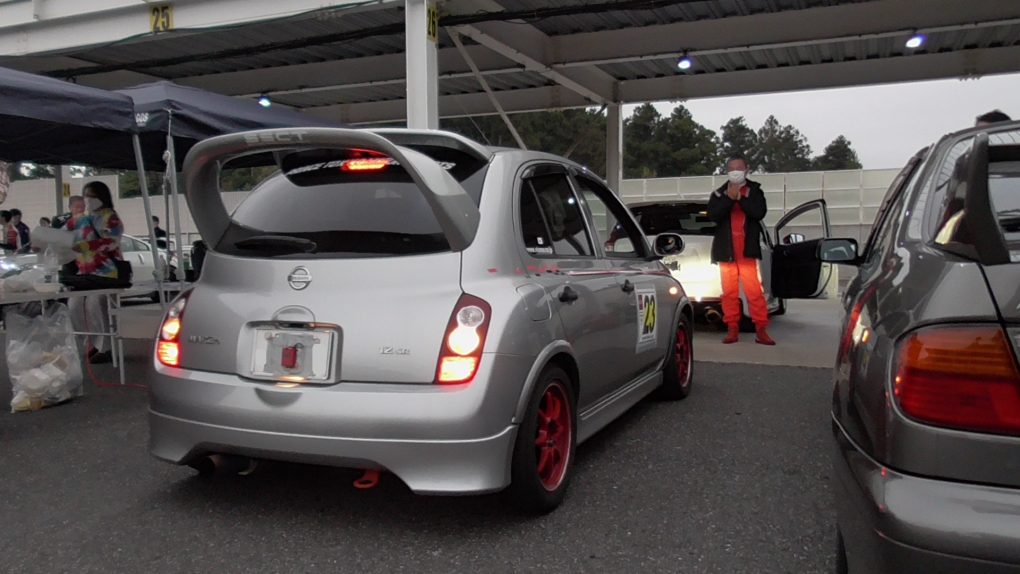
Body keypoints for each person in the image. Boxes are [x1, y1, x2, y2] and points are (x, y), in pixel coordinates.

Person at [708, 155, 775, 346]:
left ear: (747, 169)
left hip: (747, 250)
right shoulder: (719, 193)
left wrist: (741, 199)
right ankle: (732, 329)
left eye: (738, 168)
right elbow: (713, 215)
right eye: (731, 169)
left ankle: (761, 329)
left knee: (754, 292)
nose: (735, 172)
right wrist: (729, 199)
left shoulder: (755, 191)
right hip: (726, 251)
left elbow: (759, 212)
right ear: (727, 171)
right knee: (729, 293)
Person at [68, 181, 125, 364]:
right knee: (74, 305)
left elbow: (112, 240)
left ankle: (106, 347)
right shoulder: (81, 219)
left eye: (92, 195)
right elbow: (64, 234)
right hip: (85, 272)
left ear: (102, 197)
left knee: (97, 306)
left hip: (107, 272)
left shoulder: (111, 217)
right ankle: (92, 343)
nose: (88, 199)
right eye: (86, 195)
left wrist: (85, 246)